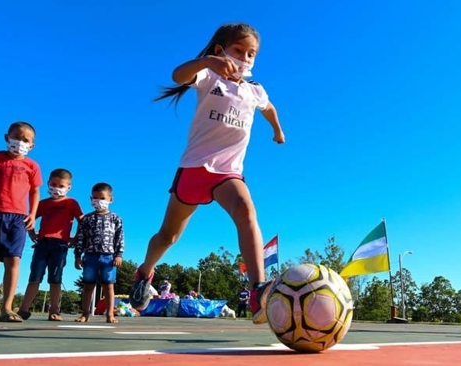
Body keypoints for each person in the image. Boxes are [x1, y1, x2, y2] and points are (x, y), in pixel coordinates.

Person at [128, 23, 285, 325]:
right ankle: (145, 271)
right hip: (194, 169)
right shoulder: (208, 76)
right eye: (238, 50)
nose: (244, 58)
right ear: (220, 50)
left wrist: (278, 130)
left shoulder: (255, 91)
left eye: (251, 54)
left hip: (228, 173)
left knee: (245, 210)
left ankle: (258, 290)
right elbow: (177, 75)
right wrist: (205, 62)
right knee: (168, 236)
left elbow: (269, 109)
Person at [0, 121, 42, 322]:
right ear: (6, 137)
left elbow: (35, 191)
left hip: (18, 218)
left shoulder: (32, 166)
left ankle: (7, 308)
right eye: (16, 137)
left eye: (25, 140)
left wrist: (32, 214)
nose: (20, 142)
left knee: (13, 260)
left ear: (32, 145)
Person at [18, 168, 83, 321]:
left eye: (61, 186)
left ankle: (54, 310)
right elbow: (31, 217)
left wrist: (76, 238)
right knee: (35, 277)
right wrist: (32, 233)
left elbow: (83, 221)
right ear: (48, 184)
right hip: (42, 244)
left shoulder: (71, 203)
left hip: (60, 245)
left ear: (68, 187)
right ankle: (23, 309)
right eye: (53, 185)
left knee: (55, 278)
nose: (56, 188)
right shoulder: (43, 203)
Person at [74, 183, 124, 323]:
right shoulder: (86, 219)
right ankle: (85, 314)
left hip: (109, 257)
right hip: (90, 256)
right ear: (91, 199)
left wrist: (119, 255)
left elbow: (119, 238)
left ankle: (110, 314)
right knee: (88, 285)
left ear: (110, 199)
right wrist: (78, 256)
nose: (98, 201)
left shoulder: (115, 218)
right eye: (95, 198)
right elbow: (80, 238)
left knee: (108, 285)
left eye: (102, 198)